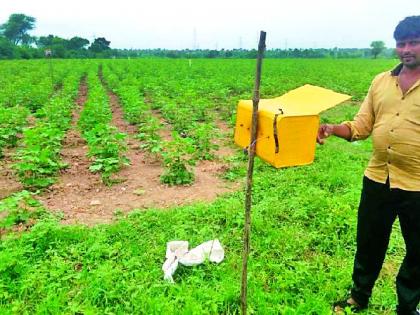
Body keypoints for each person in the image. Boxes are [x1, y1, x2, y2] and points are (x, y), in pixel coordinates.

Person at [317, 16, 420, 315]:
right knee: (369, 243)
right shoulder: (381, 82)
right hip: (378, 178)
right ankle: (359, 297)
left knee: (418, 251)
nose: (406, 49)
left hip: (417, 184)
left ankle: (408, 306)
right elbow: (362, 125)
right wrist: (334, 128)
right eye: (401, 44)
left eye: (413, 42)